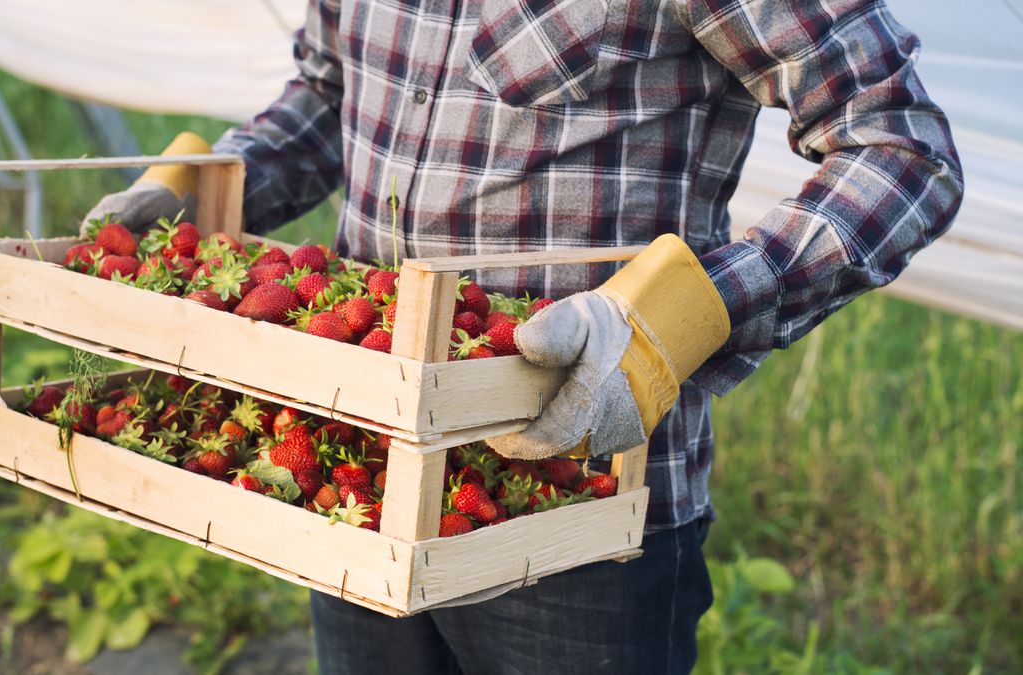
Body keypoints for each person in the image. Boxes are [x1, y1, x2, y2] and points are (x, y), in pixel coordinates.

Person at [85, 1, 962, 672]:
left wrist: (673, 323)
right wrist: (198, 192)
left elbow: (900, 145)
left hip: (582, 503)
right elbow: (329, 96)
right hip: (362, 469)